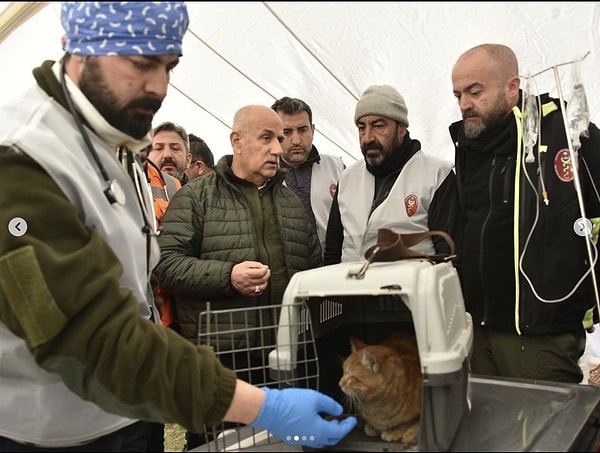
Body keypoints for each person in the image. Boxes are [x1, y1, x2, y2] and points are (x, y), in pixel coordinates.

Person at [0, 3, 356, 452]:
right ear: (77, 49)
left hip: (131, 410)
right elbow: (88, 337)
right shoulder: (22, 156)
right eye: (141, 64)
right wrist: (261, 406)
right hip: (52, 430)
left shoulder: (117, 138)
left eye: (169, 66)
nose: (159, 88)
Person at [154, 104, 324, 451]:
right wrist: (227, 276)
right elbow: (165, 263)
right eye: (267, 138)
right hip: (220, 364)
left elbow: (313, 269)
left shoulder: (291, 204)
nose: (278, 148)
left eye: (279, 138)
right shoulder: (197, 198)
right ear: (237, 141)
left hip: (284, 361)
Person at [449, 43, 600, 383]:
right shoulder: (467, 145)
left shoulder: (565, 132)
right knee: (488, 430)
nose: (464, 104)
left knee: (545, 433)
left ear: (512, 87)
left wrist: (586, 298)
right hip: (481, 329)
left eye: (475, 91)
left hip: (541, 334)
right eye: (458, 94)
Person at [324, 84, 461, 265]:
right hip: (351, 290)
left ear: (402, 128)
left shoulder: (436, 175)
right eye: (361, 128)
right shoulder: (347, 178)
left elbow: (450, 257)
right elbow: (333, 251)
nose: (367, 138)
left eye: (378, 126)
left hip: (412, 292)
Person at [271, 96, 345, 254]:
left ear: (313, 129)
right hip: (288, 273)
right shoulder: (264, 176)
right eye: (287, 132)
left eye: (302, 130)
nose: (296, 140)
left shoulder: (337, 168)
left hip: (334, 266)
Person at [149, 120, 192, 185]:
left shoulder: (199, 194)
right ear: (147, 158)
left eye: (175, 148)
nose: (167, 155)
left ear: (188, 160)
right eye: (159, 148)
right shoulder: (135, 193)